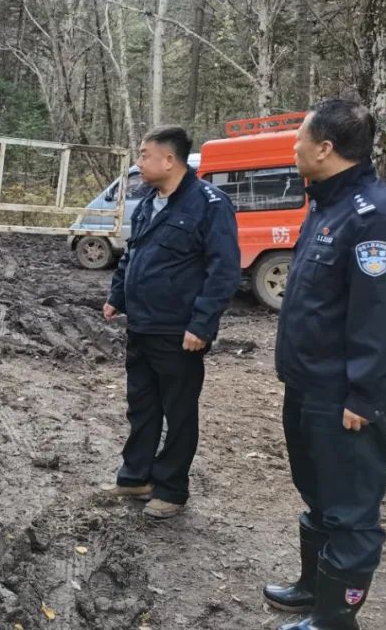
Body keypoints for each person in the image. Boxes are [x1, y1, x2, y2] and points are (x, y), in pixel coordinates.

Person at [263, 100, 386, 630]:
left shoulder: (377, 213)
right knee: (318, 491)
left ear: (324, 149)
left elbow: (380, 315)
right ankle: (312, 589)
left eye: (300, 137)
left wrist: (365, 394)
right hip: (306, 385)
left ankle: (334, 619)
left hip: (344, 394)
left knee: (350, 509)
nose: (294, 146)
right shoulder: (325, 206)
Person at [103, 126, 240, 519]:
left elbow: (224, 271)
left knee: (178, 412)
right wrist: (117, 296)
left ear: (169, 159)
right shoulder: (149, 202)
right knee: (142, 405)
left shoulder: (209, 204)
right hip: (142, 326)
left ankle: (171, 489)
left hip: (179, 332)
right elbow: (132, 255)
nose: (139, 162)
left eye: (145, 155)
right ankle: (136, 477)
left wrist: (202, 325)